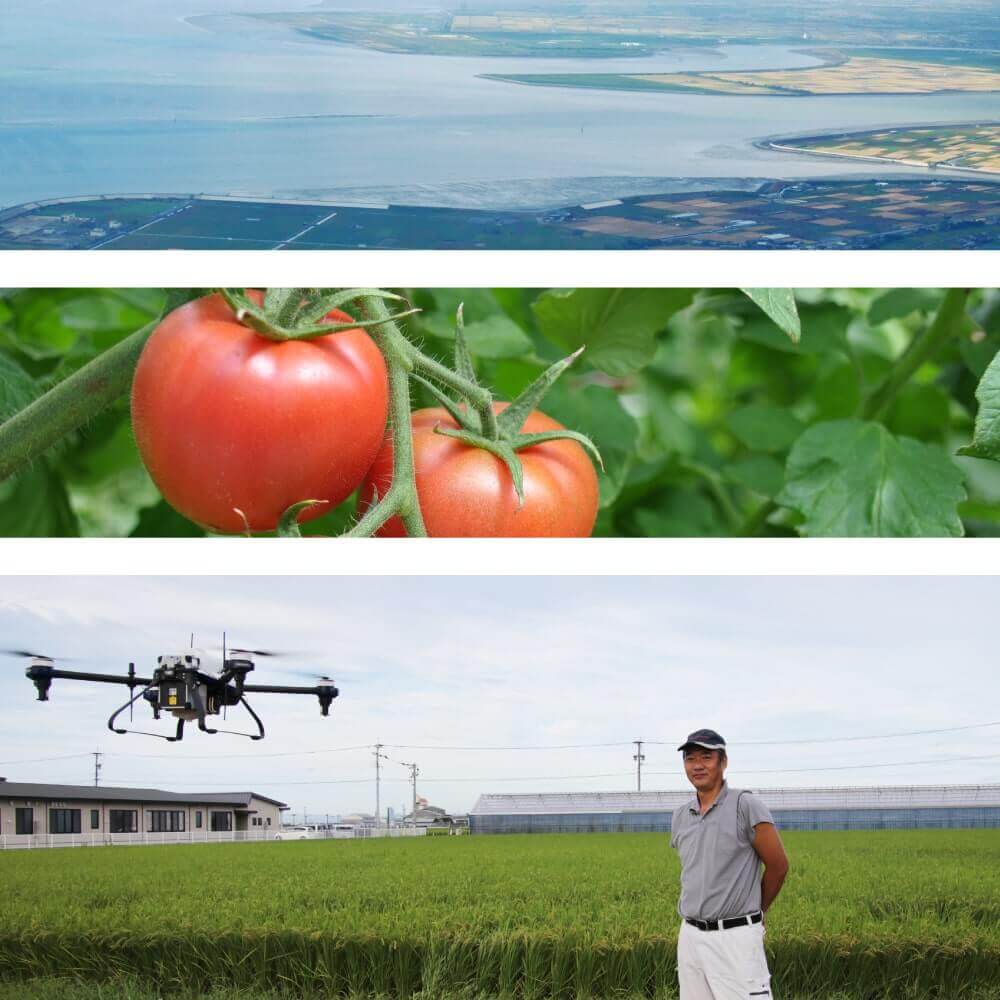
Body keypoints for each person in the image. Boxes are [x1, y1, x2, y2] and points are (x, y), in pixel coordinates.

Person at [670, 728, 789, 1000]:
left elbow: (779, 866)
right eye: (690, 758)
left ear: (723, 762)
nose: (697, 765)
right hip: (690, 937)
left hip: (735, 937)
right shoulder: (680, 815)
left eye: (706, 757)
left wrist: (758, 911)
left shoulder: (745, 806)